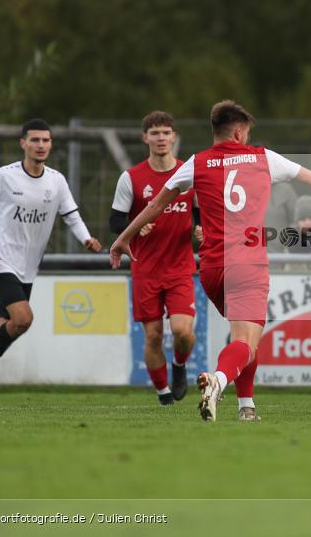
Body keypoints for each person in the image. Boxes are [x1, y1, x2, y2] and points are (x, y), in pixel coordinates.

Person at [110, 100, 311, 422]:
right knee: (246, 341)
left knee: (244, 336)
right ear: (239, 132)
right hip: (248, 263)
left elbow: (156, 203)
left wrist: (123, 237)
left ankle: (246, 408)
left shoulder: (196, 163)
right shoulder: (262, 157)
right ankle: (218, 381)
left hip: (211, 267)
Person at [0, 119, 101, 406]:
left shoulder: (56, 180)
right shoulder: (5, 176)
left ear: (51, 144)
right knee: (23, 318)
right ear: (23, 144)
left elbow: (71, 215)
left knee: (9, 326)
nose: (41, 145)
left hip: (28, 267)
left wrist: (86, 239)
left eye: (46, 140)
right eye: (35, 140)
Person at [110, 111, 200, 406]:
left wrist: (201, 230)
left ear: (174, 137)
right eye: (155, 133)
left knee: (182, 332)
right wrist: (136, 225)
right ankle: (163, 393)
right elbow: (115, 221)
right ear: (144, 138)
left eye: (165, 133)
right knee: (153, 337)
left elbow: (202, 214)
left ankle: (179, 365)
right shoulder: (132, 178)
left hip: (179, 267)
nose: (160, 138)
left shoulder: (189, 173)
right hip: (145, 269)